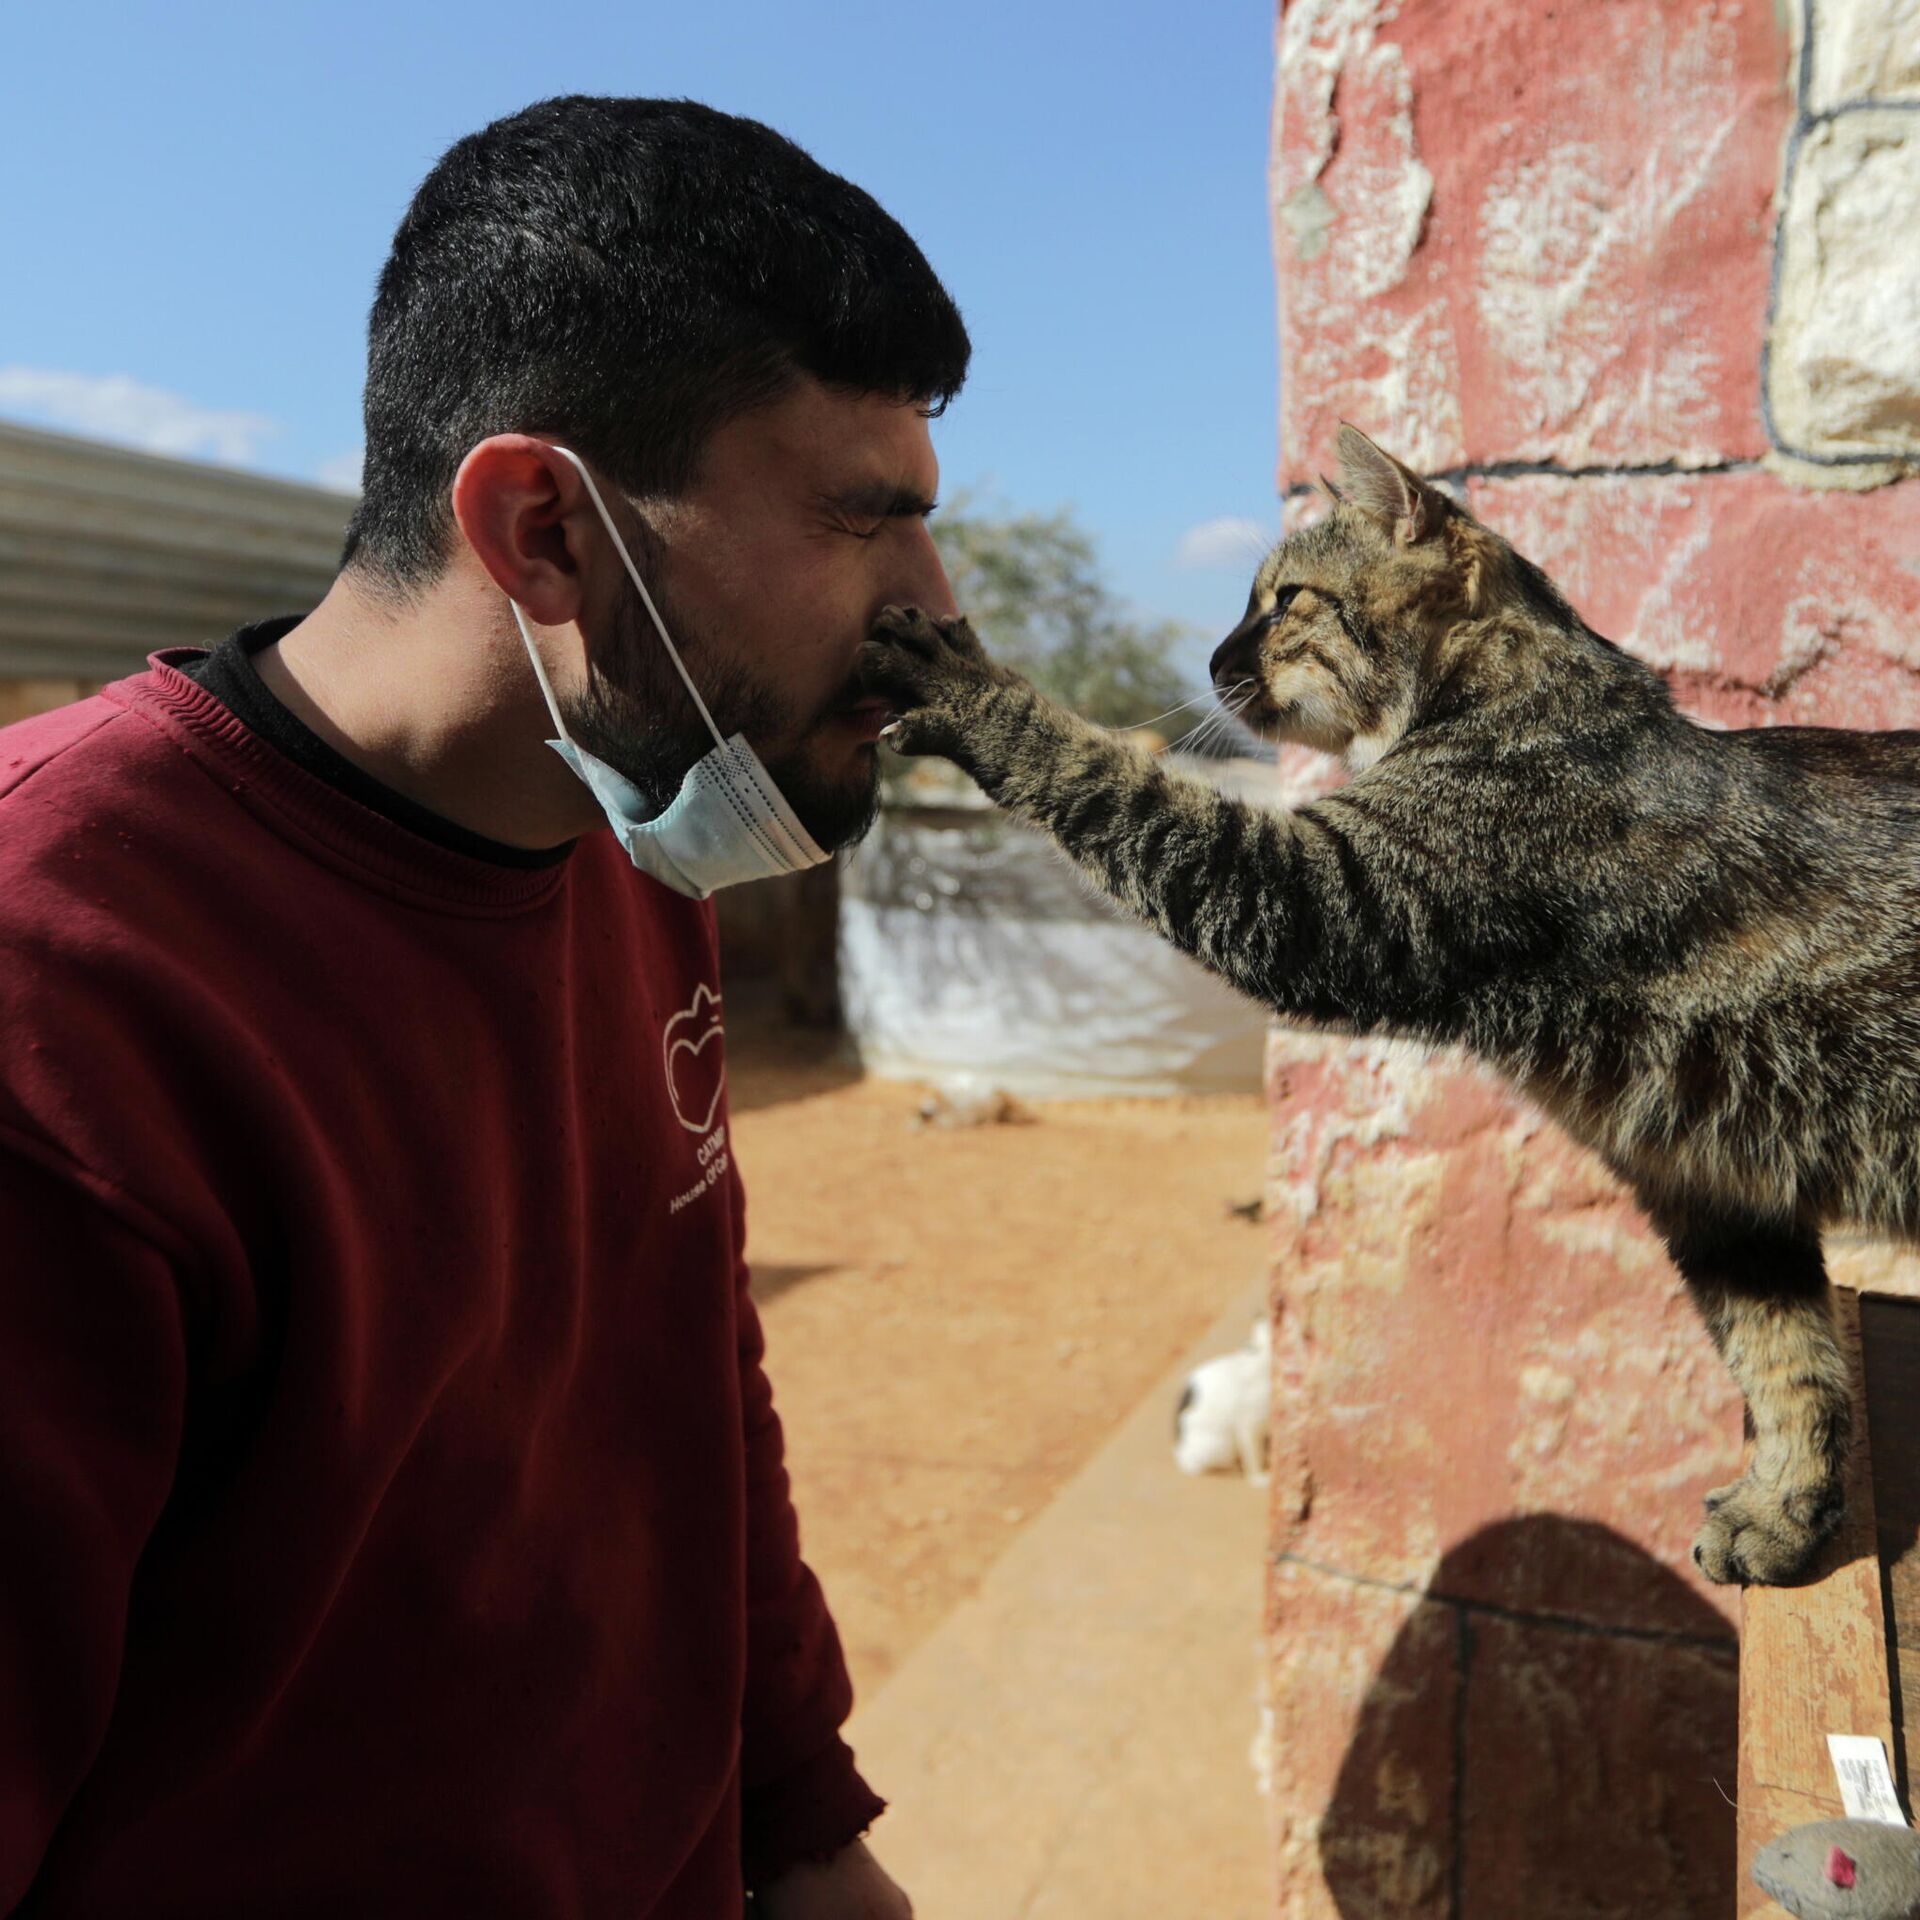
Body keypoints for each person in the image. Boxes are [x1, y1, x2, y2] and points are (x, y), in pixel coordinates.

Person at [0, 96, 967, 1918]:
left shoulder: (632, 838)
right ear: (543, 530)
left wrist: (796, 1813)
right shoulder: (61, 990)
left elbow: (688, 1364)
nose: (938, 617)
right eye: (864, 521)